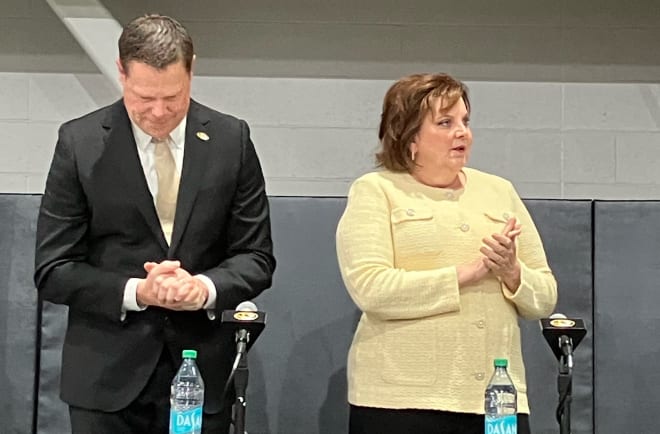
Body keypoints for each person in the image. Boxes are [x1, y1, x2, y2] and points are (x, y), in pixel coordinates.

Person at [34, 14, 275, 434]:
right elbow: (53, 269)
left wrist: (203, 289)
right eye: (144, 98)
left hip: (200, 372)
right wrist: (138, 292)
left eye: (174, 97)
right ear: (122, 72)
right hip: (104, 380)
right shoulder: (80, 143)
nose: (160, 113)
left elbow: (256, 257)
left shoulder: (231, 140)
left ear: (191, 70)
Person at [335, 73, 557, 434]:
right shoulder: (376, 190)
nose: (462, 132)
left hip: (496, 397)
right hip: (400, 402)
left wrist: (513, 272)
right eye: (445, 122)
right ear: (409, 136)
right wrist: (465, 274)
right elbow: (371, 288)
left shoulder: (500, 191)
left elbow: (545, 296)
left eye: (465, 122)